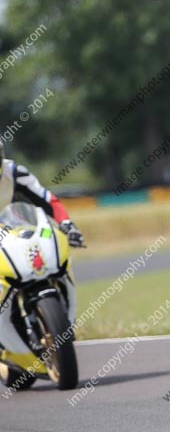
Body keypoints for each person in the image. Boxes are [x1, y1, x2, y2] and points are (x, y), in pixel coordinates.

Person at [0, 141, 84, 349]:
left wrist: (67, 224)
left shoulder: (15, 172)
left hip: (12, 228)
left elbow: (47, 199)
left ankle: (63, 320)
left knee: (51, 257)